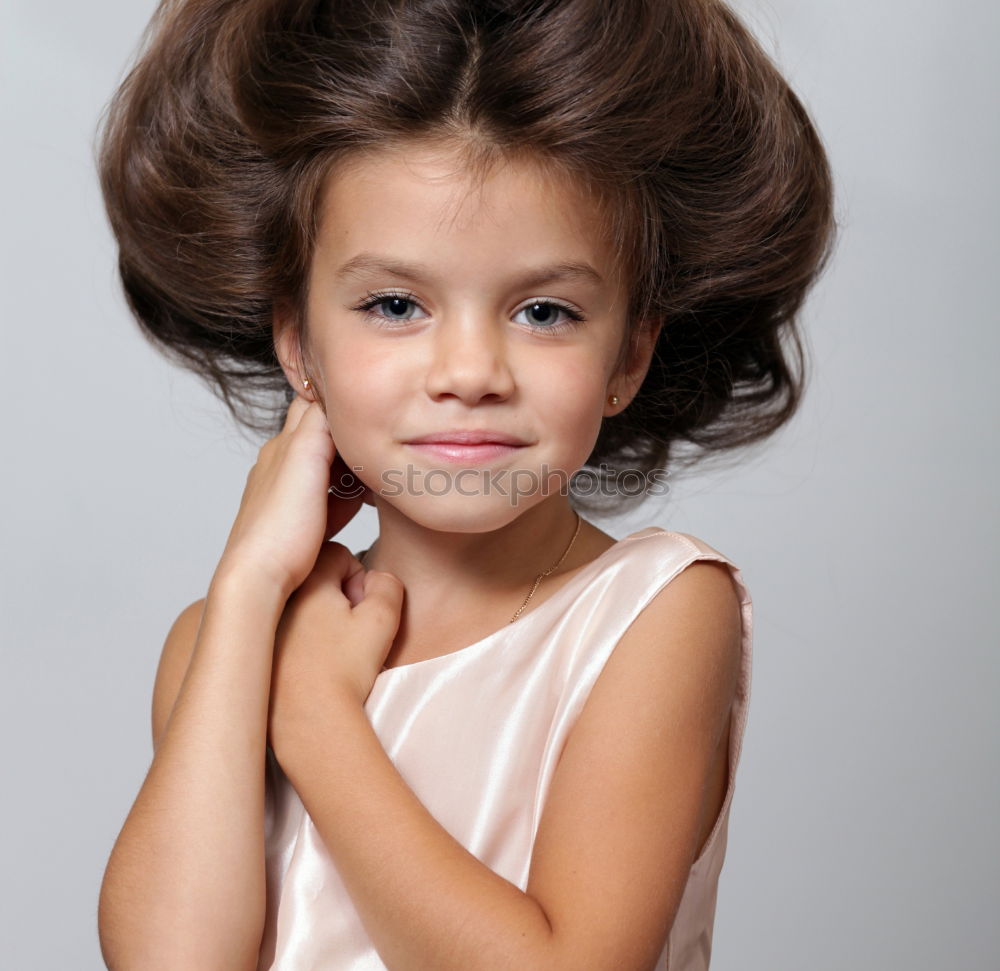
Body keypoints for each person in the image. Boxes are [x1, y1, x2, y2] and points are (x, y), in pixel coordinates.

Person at [95, 0, 835, 968]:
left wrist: (318, 723)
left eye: (543, 309)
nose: (470, 368)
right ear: (299, 342)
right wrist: (245, 594)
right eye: (396, 304)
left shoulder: (654, 616)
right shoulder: (225, 644)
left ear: (629, 351)